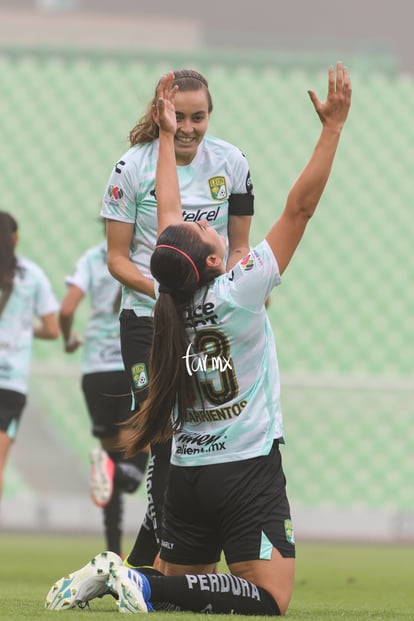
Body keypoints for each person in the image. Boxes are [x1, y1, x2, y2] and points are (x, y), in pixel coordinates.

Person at [45, 62, 351, 615]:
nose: (206, 221)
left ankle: (137, 575)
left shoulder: (166, 310)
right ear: (213, 258)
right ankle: (143, 581)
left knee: (188, 587)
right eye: (207, 229)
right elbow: (300, 207)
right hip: (244, 465)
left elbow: (169, 212)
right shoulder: (240, 292)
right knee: (271, 599)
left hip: (186, 469)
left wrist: (165, 136)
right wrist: (332, 129)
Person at [100, 69, 254, 567]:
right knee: (162, 431)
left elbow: (240, 246)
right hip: (147, 319)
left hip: (206, 323)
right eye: (179, 117)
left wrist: (234, 292)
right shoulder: (131, 168)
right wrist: (169, 289)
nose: (188, 127)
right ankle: (152, 558)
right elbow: (117, 260)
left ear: (210, 115)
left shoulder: (232, 164)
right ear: (162, 112)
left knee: (201, 432)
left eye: (199, 117)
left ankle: (157, 558)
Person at [59, 225, 149, 556]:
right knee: (149, 439)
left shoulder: (93, 259)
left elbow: (67, 309)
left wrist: (69, 339)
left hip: (94, 371)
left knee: (111, 460)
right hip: (131, 363)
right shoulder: (145, 257)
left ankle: (114, 551)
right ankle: (129, 475)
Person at [0, 211, 59, 506]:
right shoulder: (32, 275)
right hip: (10, 383)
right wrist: (24, 328)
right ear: (15, 239)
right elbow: (52, 329)